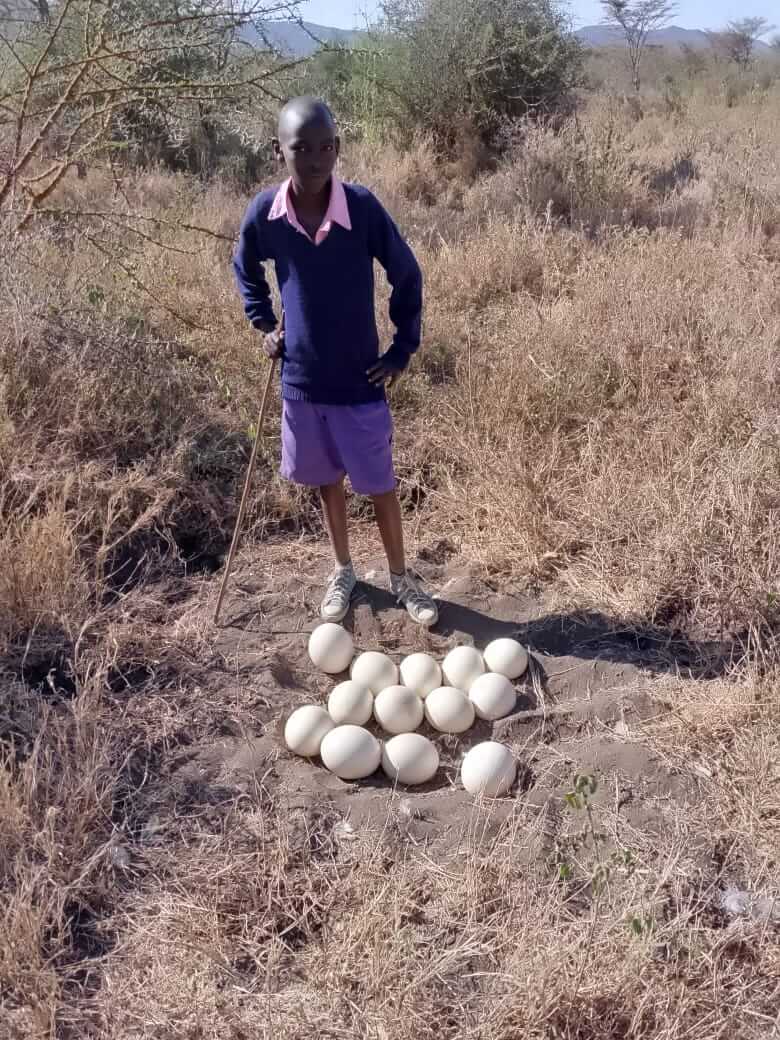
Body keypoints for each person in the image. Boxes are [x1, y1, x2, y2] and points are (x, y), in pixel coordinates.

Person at [232, 97, 438, 627]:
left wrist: (401, 349)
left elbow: (406, 273)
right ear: (280, 153)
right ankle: (344, 570)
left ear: (338, 149)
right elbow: (245, 266)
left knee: (379, 482)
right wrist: (265, 326)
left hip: (359, 377)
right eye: (301, 147)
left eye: (326, 147)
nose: (316, 158)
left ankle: (399, 576)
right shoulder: (266, 214)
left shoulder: (362, 208)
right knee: (327, 480)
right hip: (301, 379)